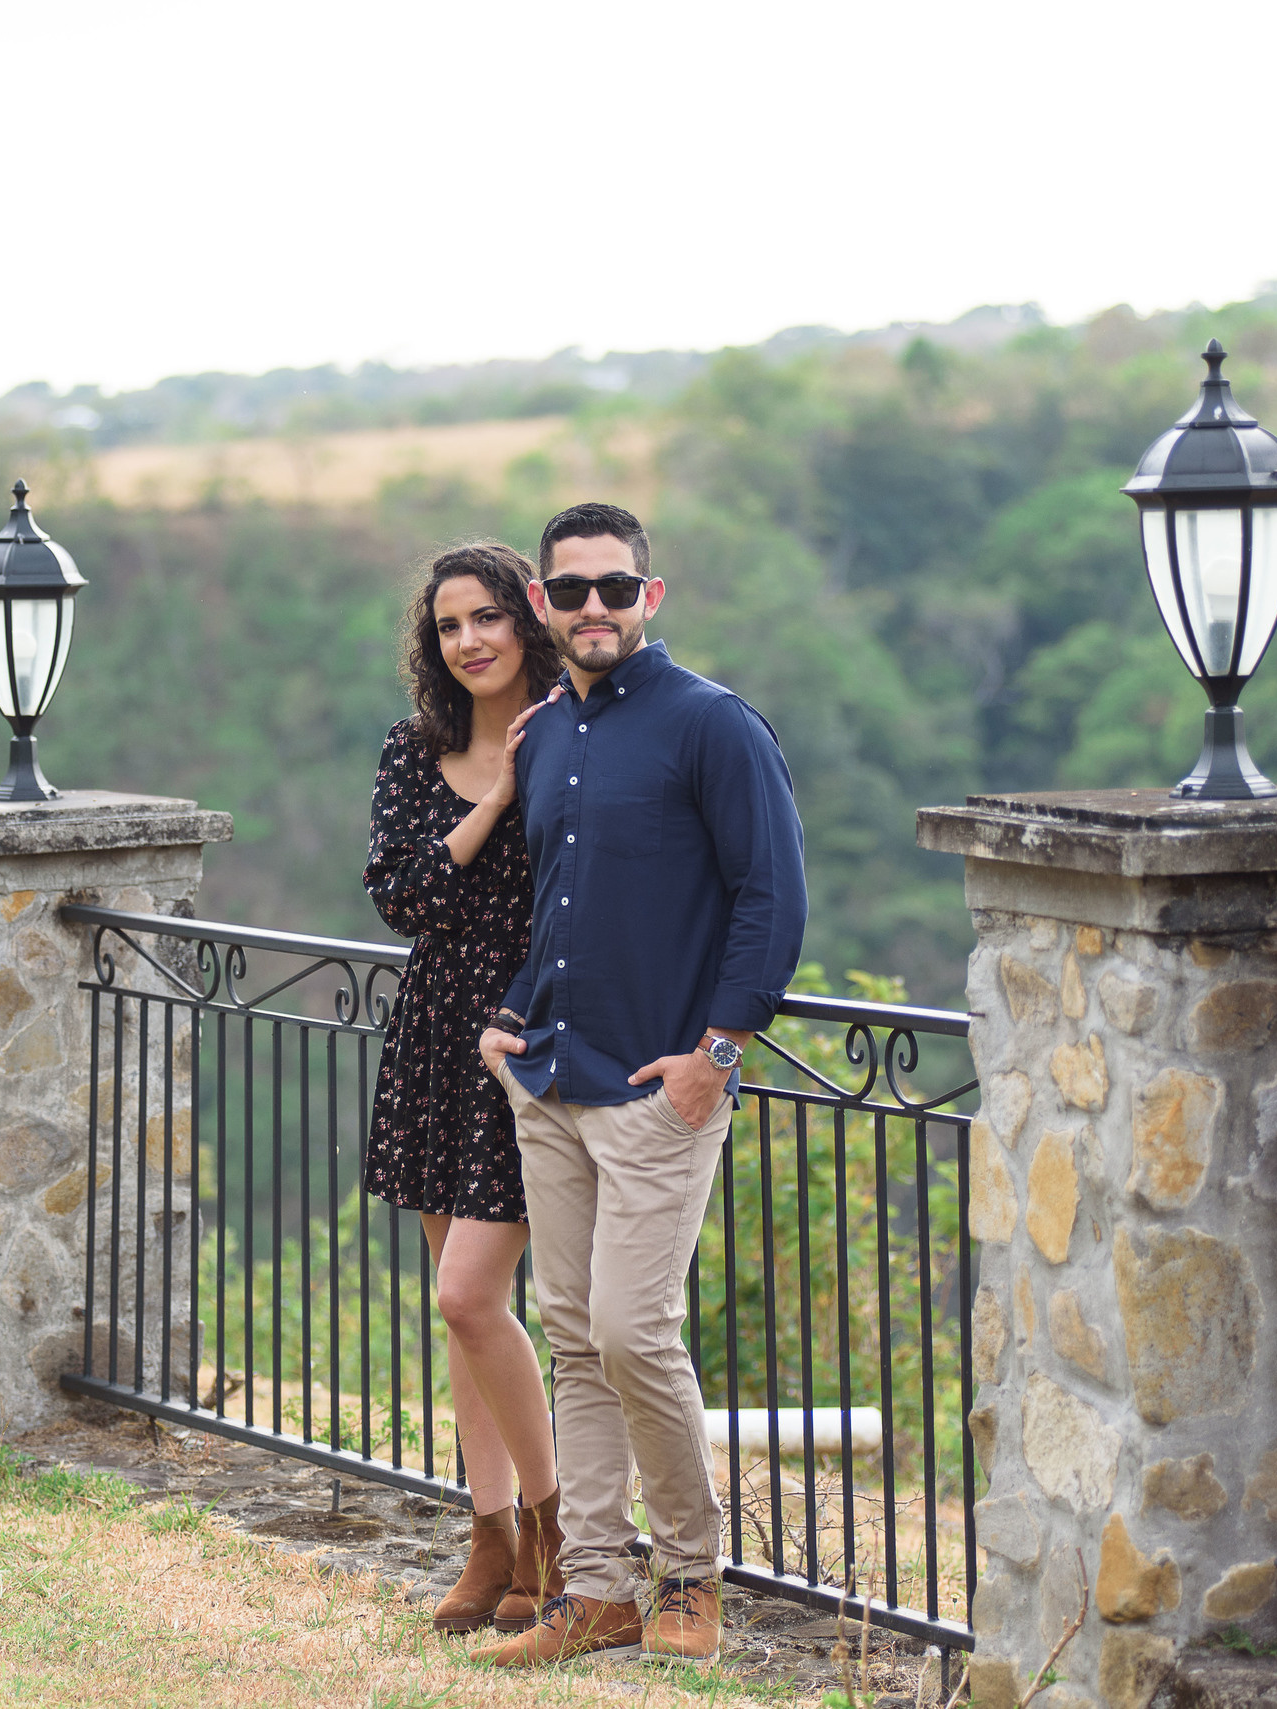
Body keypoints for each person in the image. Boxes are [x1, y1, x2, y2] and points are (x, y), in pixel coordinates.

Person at [475, 501, 807, 1667]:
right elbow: (556, 902)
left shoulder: (711, 725)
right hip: (552, 1078)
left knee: (631, 1329)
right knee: (573, 1332)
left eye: (615, 587)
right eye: (570, 592)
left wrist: (717, 1055)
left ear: (648, 596)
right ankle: (598, 1588)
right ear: (545, 608)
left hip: (656, 1088)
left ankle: (692, 1576)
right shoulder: (548, 733)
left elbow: (771, 896)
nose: (594, 608)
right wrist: (511, 1018)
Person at [362, 541, 569, 1636]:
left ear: (525, 622)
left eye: (488, 616)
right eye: (450, 625)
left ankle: (554, 1530)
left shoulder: (579, 733)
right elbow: (399, 897)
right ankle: (490, 1536)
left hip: (529, 1032)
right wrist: (491, 792)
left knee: (469, 1295)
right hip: (437, 1031)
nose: (471, 639)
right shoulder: (418, 748)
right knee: (460, 1311)